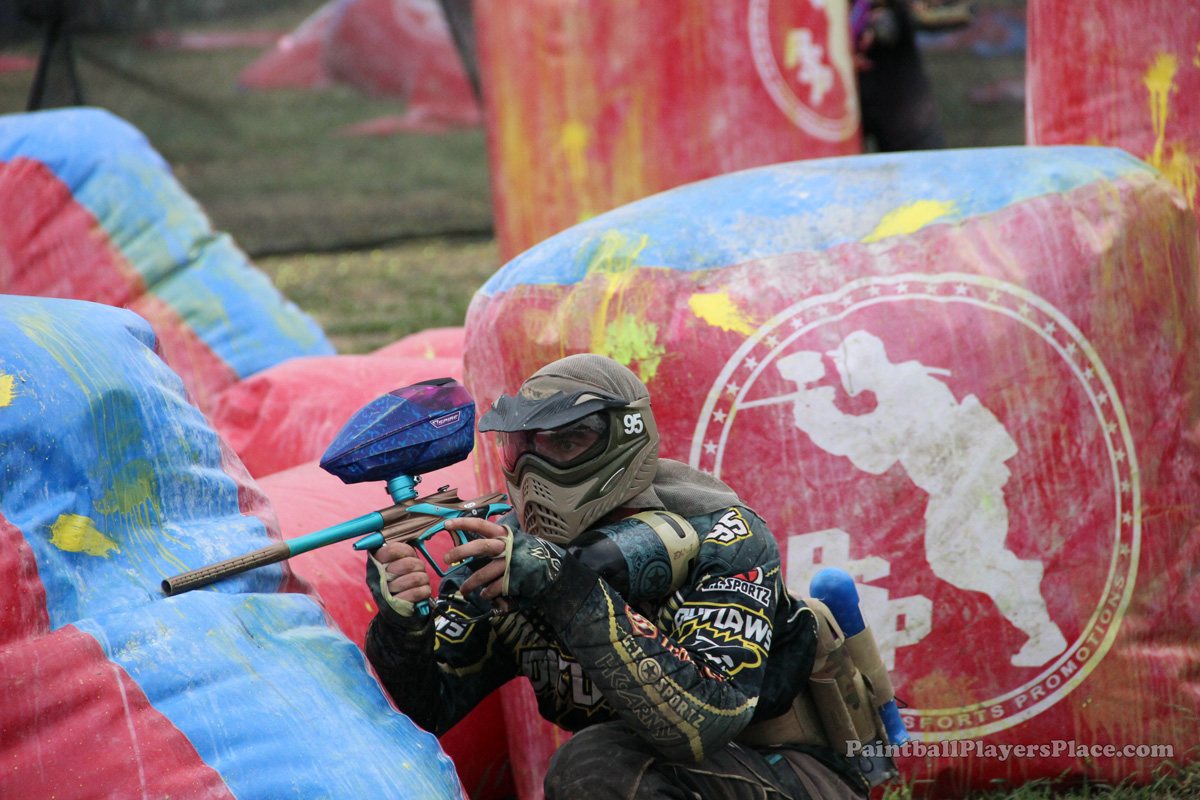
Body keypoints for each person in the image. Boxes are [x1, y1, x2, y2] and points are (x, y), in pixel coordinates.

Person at [364, 354, 871, 799]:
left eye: (566, 442)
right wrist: (403, 625)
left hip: (789, 771)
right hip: (643, 779)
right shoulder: (509, 553)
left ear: (625, 438)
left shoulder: (723, 534)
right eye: (521, 448)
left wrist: (563, 586)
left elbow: (708, 723)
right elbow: (426, 711)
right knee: (602, 766)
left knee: (596, 764)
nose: (534, 470)